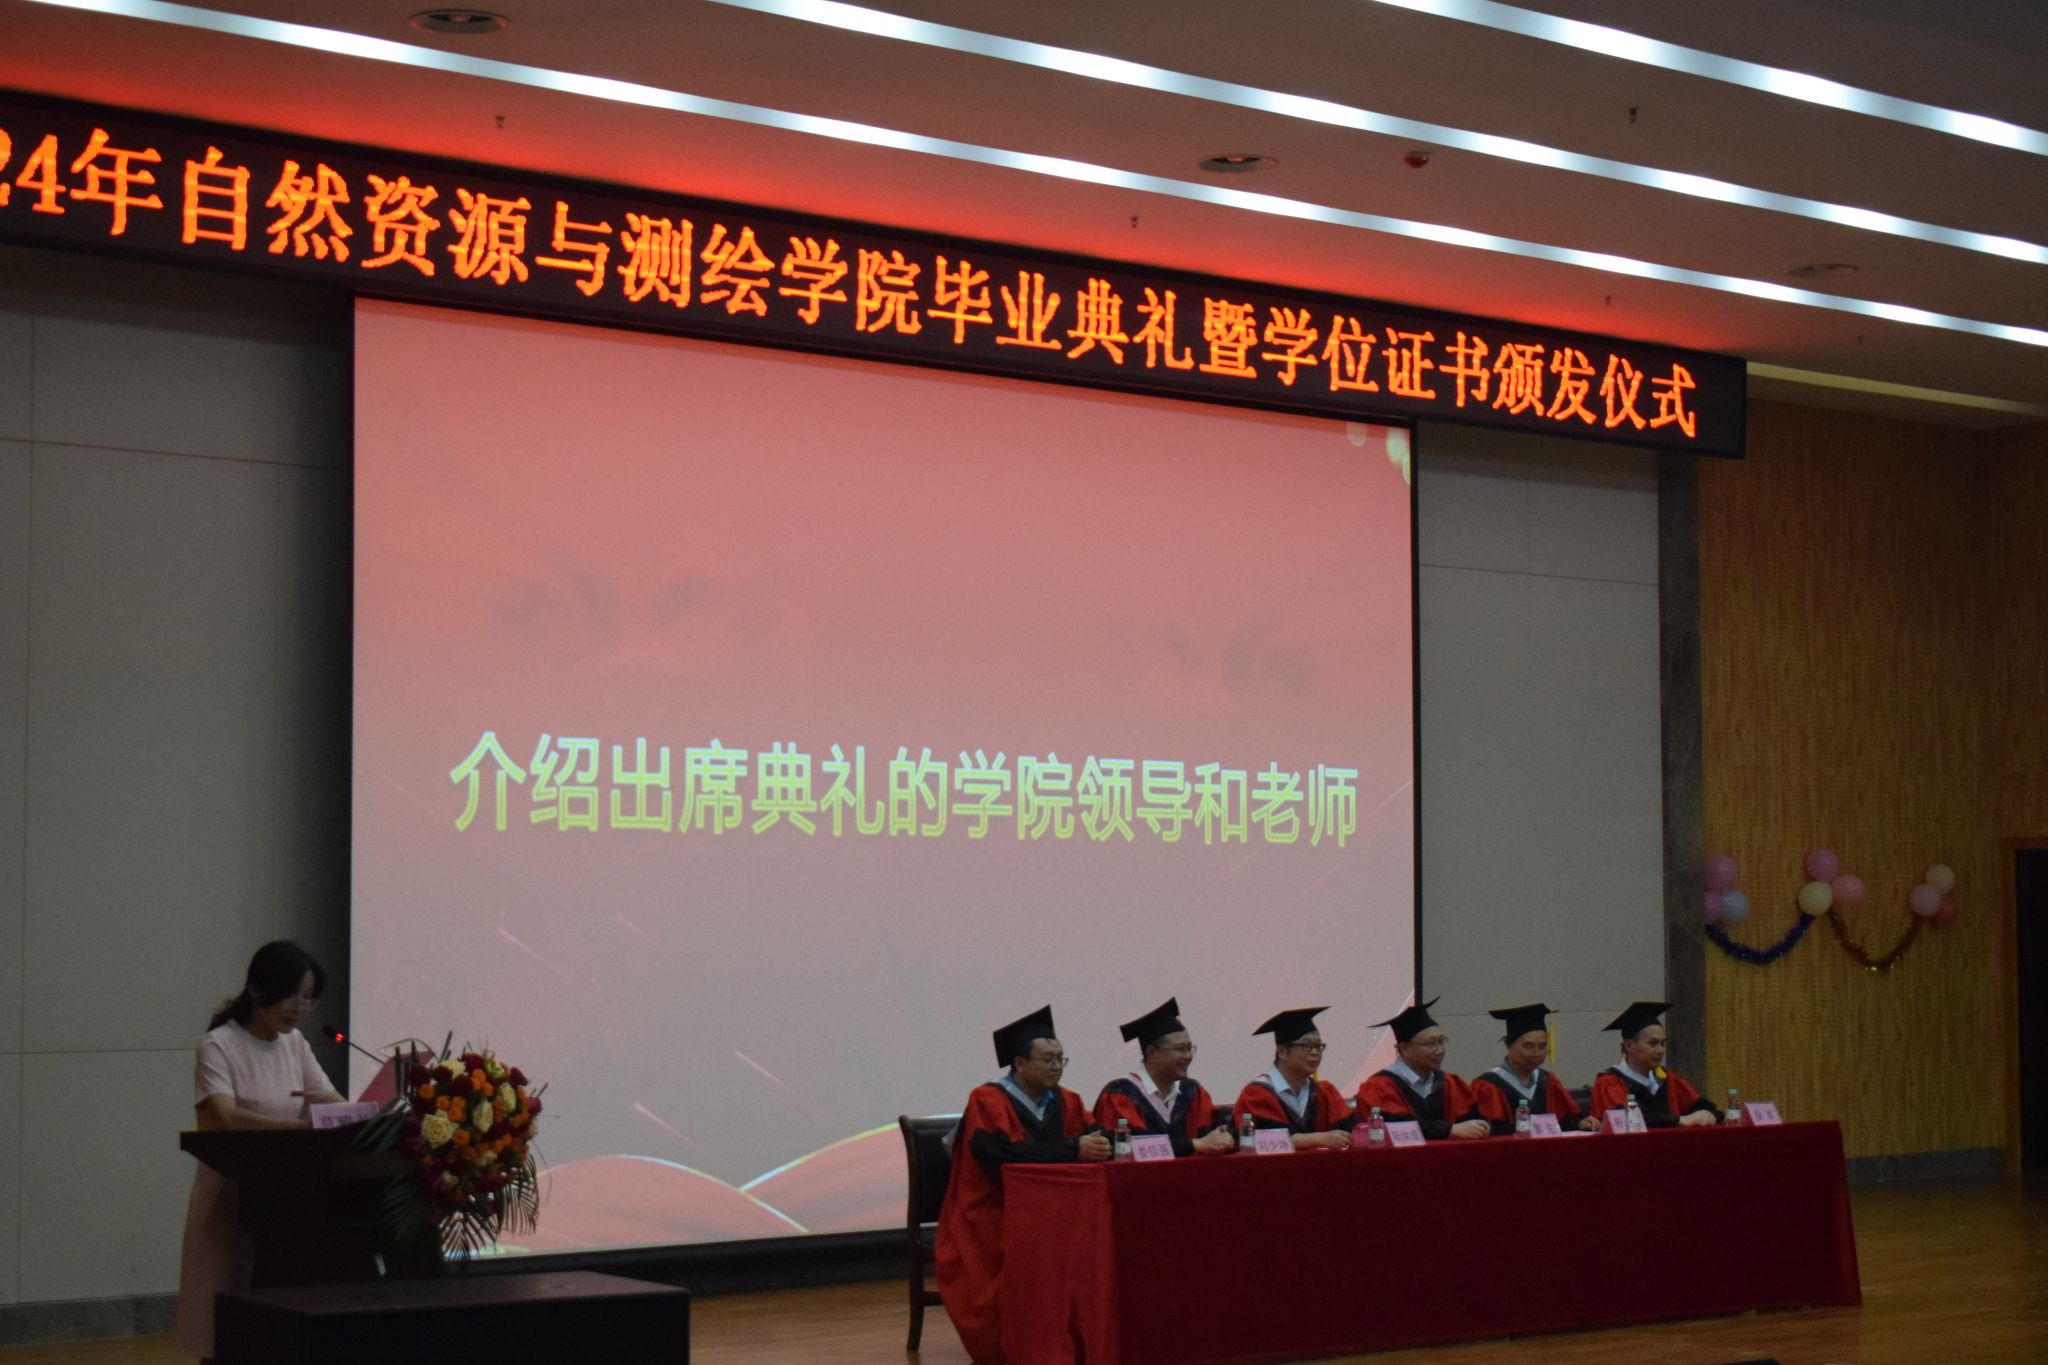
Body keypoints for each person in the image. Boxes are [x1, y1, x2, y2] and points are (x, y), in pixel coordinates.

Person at [175, 940, 344, 1363]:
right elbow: (227, 1117)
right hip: (230, 1190)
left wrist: (362, 1118)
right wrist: (301, 1130)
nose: (300, 1008)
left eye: (308, 998)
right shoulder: (219, 1044)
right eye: (291, 996)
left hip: (285, 1191)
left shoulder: (294, 1043)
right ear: (256, 989)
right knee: (224, 1311)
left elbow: (331, 1102)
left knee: (277, 1306)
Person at [935, 1005, 1109, 1364]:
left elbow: (1094, 1136)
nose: (1057, 1066)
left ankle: (1072, 1338)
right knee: (1033, 1238)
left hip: (1053, 1210)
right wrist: (1072, 1149)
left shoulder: (1068, 1100)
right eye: (1047, 1059)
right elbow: (999, 1156)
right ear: (1019, 1063)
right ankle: (1022, 1342)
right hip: (991, 1208)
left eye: (1061, 1059)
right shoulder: (988, 1099)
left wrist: (1101, 1145)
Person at [1094, 997, 1235, 1156]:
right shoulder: (1120, 1094)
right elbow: (1129, 1147)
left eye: (1189, 1048)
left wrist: (1223, 1137)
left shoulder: (1193, 1092)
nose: (1188, 1056)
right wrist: (1194, 1145)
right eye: (1180, 1049)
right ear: (1152, 1053)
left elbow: (1212, 1135)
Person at [1355, 998, 1489, 1140]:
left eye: (1441, 1041)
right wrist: (1449, 1130)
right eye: (1430, 1044)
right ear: (1404, 1049)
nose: (1439, 1050)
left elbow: (1474, 1118)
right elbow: (1397, 1128)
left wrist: (1482, 1126)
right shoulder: (1378, 1087)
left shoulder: (1450, 1083)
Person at [1232, 1007, 1355, 1150]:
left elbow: (1352, 1130)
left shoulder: (1325, 1093)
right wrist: (1319, 1139)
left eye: (1318, 1046)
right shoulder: (1256, 1095)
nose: (1315, 1052)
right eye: (1305, 1045)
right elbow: (1266, 1141)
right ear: (1282, 1052)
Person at [1588, 1000, 1722, 1128]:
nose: (1660, 1050)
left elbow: (1704, 1106)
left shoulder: (1667, 1079)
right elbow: (1625, 1119)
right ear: (1629, 1045)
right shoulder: (1609, 1083)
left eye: (1662, 1043)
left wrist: (1709, 1115)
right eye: (1653, 1043)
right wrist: (1680, 1120)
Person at [1472, 1002, 1597, 1134]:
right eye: (1529, 1046)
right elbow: (1485, 1130)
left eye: (1542, 1046)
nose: (1536, 1053)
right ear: (1508, 1045)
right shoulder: (1488, 1084)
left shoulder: (1548, 1081)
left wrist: (1580, 1123)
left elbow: (1565, 1122)